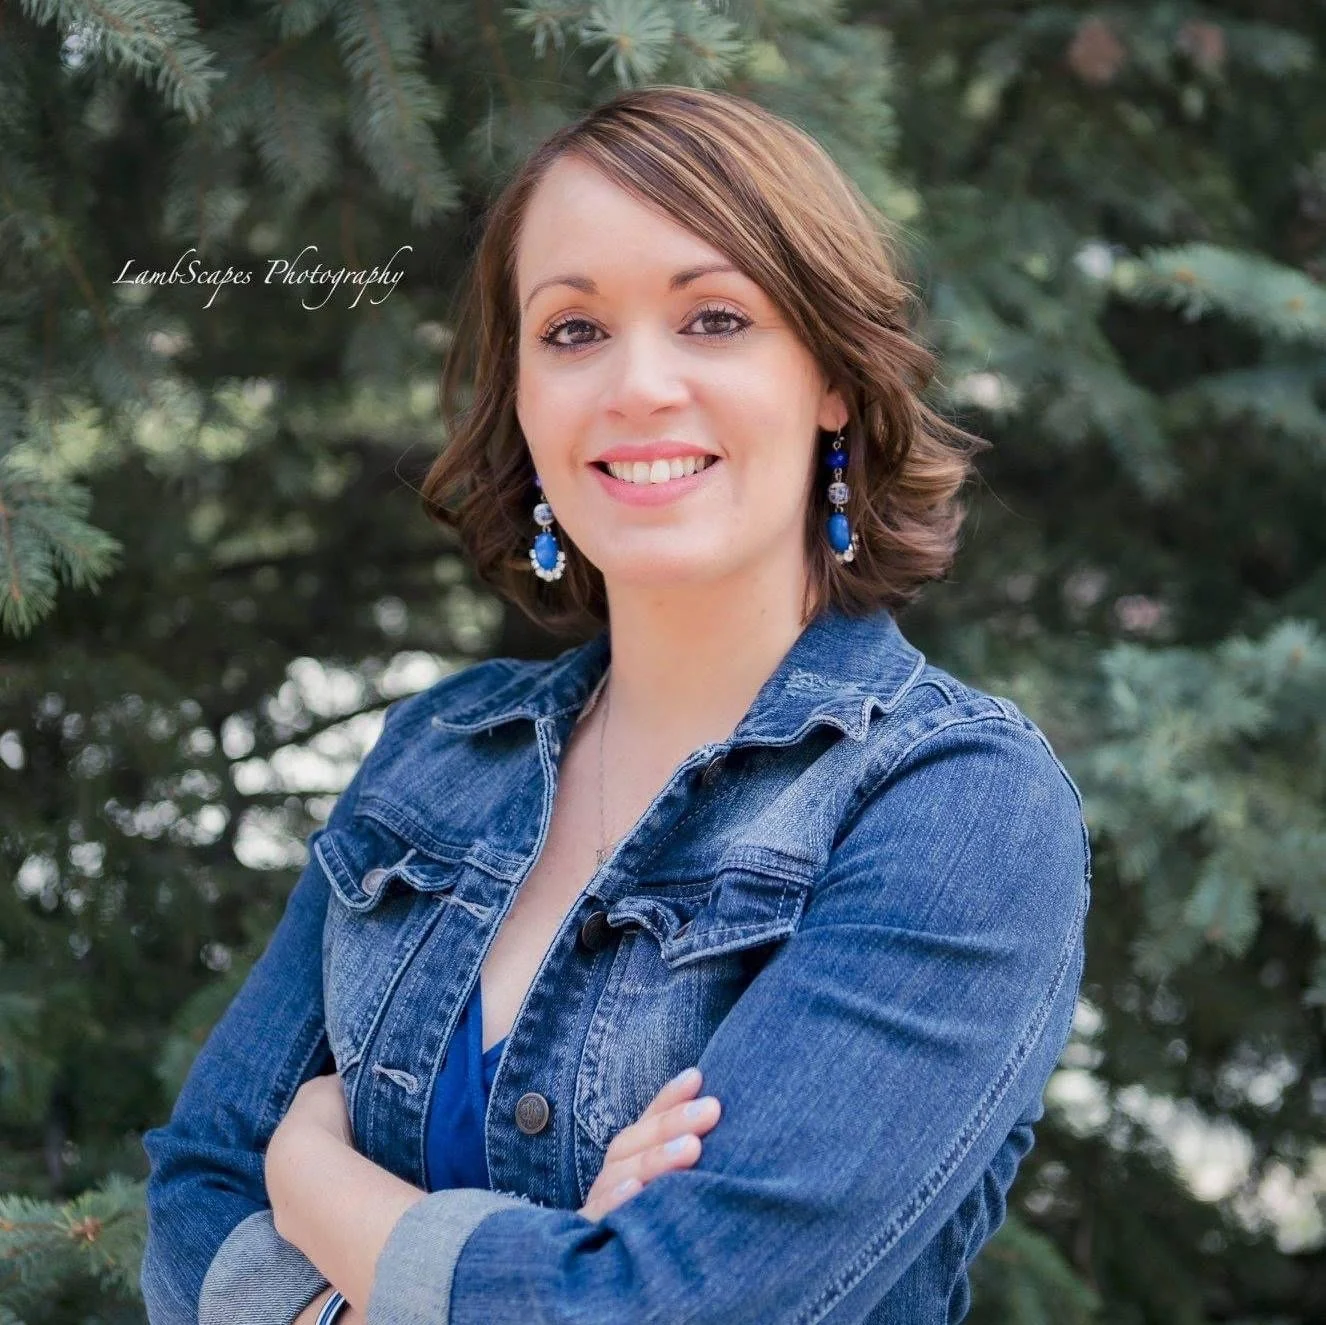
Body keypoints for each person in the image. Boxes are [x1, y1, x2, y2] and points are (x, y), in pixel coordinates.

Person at [139, 85, 1092, 1325]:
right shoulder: (440, 754)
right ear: (525, 397)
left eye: (713, 317)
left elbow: (664, 1307)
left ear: (833, 379)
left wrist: (310, 1172)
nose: (638, 386)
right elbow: (198, 1184)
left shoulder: (956, 804)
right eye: (573, 330)